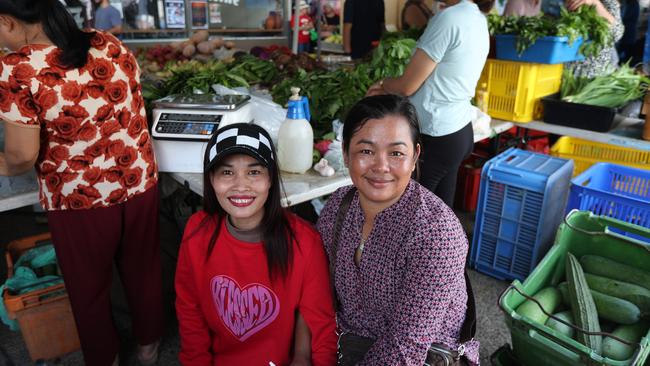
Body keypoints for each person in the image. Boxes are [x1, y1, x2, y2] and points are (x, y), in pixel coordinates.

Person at [0, 1, 162, 365]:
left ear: (7, 21)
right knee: (144, 268)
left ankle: (106, 357)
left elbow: (21, 156)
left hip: (81, 199)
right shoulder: (107, 43)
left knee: (88, 288)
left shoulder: (17, 68)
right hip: (139, 181)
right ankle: (150, 347)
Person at [316, 95, 478, 365]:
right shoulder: (337, 207)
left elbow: (406, 348)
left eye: (396, 153)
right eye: (366, 151)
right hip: (347, 346)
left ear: (414, 156)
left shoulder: (436, 233)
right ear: (345, 154)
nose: (381, 166)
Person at [175, 123, 337, 366]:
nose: (241, 185)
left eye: (253, 172)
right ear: (211, 179)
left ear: (270, 178)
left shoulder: (304, 241)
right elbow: (190, 312)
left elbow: (321, 324)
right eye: (227, 173)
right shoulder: (197, 232)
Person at [367, 0, 492, 208]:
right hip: (458, 132)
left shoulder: (449, 19)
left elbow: (406, 86)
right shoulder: (477, 18)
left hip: (436, 136)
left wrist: (382, 85)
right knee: (439, 219)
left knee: (409, 218)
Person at [565, 0, 624, 77]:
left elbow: (616, 33)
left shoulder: (608, 3)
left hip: (592, 75)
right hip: (564, 71)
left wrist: (594, 3)